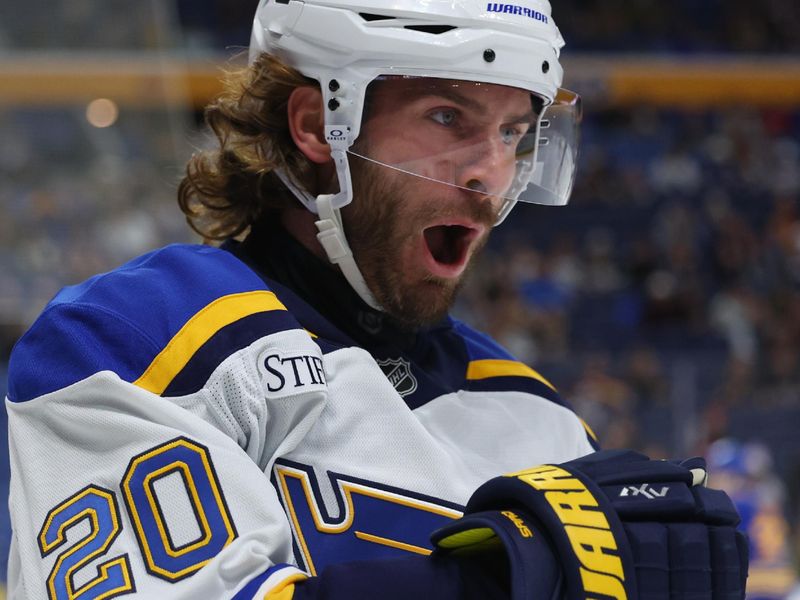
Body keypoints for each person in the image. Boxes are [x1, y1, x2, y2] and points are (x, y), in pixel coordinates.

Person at [5, 1, 747, 598]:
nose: (489, 172)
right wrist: (493, 579)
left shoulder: (541, 418)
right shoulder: (131, 335)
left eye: (513, 133)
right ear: (315, 125)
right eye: (447, 118)